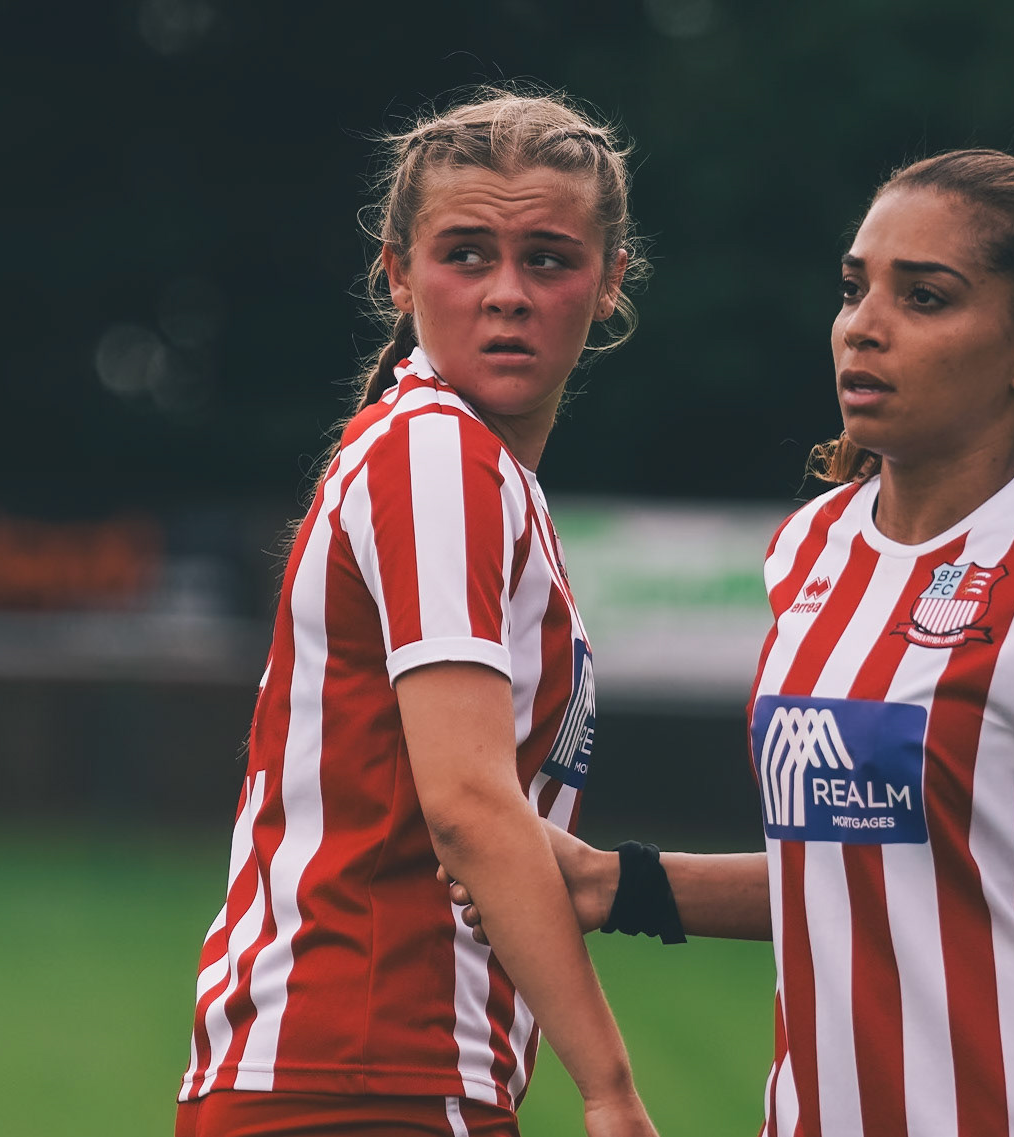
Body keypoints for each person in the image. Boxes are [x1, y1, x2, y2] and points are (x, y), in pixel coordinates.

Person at [456, 149, 1014, 1137]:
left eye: (924, 297)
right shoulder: (809, 549)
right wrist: (614, 882)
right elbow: (855, 874)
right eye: (853, 287)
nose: (864, 325)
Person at [176, 89, 660, 1137]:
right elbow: (469, 808)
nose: (507, 294)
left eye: (549, 259)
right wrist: (611, 1089)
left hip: (343, 1074)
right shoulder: (436, 456)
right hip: (367, 1069)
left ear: (610, 280)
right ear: (396, 272)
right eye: (466, 254)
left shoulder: (454, 459)